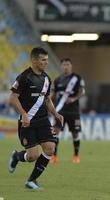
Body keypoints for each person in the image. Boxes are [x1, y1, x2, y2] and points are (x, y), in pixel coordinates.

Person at [8, 47, 64, 189]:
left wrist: (56, 113)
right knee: (32, 156)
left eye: (46, 59)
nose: (46, 62)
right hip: (27, 121)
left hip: (43, 120)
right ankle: (16, 157)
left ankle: (31, 181)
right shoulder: (24, 77)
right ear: (34, 60)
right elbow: (13, 98)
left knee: (50, 148)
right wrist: (24, 114)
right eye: (43, 60)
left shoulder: (46, 79)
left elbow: (47, 100)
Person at [50, 58, 85, 164]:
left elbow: (82, 91)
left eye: (68, 64)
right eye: (64, 65)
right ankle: (54, 156)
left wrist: (73, 99)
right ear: (61, 66)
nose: (66, 66)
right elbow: (52, 95)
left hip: (74, 111)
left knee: (75, 133)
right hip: (59, 111)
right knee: (55, 132)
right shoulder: (57, 80)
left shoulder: (77, 78)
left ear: (71, 66)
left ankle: (76, 155)